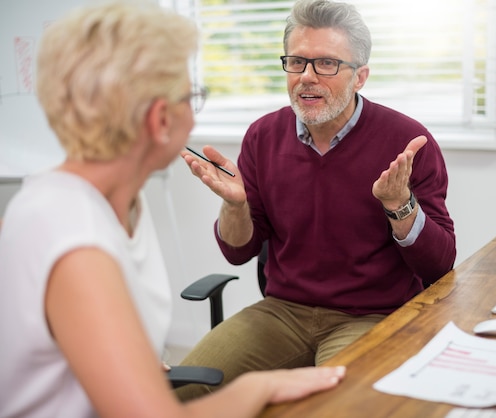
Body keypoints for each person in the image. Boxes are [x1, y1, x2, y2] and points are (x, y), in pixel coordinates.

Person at [0, 2, 346, 417]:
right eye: (191, 97)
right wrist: (261, 384)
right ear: (160, 119)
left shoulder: (116, 202)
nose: (192, 115)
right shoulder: (75, 239)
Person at [177, 0, 455, 400]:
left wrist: (401, 205)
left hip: (369, 316)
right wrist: (235, 206)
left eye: (326, 64)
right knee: (181, 390)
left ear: (360, 76)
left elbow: (440, 264)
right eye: (296, 62)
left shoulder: (406, 142)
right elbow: (239, 253)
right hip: (282, 312)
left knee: (339, 408)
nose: (306, 77)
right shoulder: (262, 136)